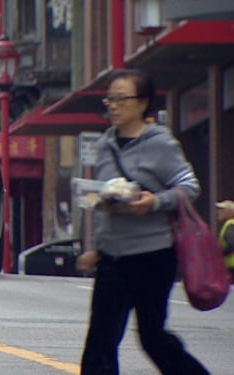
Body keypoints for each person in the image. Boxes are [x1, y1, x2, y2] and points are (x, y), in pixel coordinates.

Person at [75, 69, 209, 375]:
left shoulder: (160, 143)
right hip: (112, 259)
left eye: (122, 99)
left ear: (142, 103)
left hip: (152, 256)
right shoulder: (105, 144)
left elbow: (189, 186)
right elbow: (105, 202)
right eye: (110, 99)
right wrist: (96, 247)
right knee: (99, 344)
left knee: (152, 338)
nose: (113, 105)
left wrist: (154, 202)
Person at [215, 200, 234, 282]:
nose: (218, 212)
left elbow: (231, 244)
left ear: (229, 212)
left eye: (221, 209)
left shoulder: (230, 225)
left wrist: (217, 253)